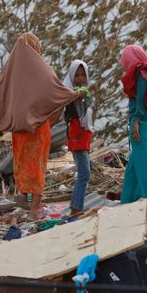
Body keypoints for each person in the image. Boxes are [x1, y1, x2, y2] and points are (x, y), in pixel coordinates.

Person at [0, 33, 85, 221]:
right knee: (37, 167)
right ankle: (33, 212)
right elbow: (55, 90)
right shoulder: (41, 70)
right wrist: (76, 94)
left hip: (18, 130)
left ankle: (23, 195)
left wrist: (4, 115)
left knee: (22, 164)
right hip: (37, 129)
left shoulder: (11, 71)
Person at [119, 45, 147, 204]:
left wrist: (136, 121)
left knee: (146, 168)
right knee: (134, 166)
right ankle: (127, 201)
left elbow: (140, 101)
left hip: (141, 124)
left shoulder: (141, 74)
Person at [63, 59, 93, 217]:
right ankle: (76, 208)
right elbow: (82, 118)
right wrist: (80, 94)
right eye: (77, 75)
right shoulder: (74, 97)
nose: (81, 78)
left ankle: (76, 206)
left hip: (82, 140)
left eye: (83, 75)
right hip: (78, 140)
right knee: (84, 175)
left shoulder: (81, 96)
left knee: (84, 174)